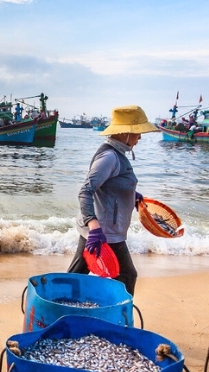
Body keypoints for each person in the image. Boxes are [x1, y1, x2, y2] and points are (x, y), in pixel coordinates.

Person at [67, 105, 160, 295]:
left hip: (107, 231)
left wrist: (132, 196)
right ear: (125, 133)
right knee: (126, 276)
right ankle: (119, 318)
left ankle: (66, 308)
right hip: (101, 233)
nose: (139, 137)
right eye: (137, 132)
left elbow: (109, 188)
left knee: (77, 277)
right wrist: (94, 228)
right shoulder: (110, 157)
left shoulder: (117, 154)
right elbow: (85, 191)